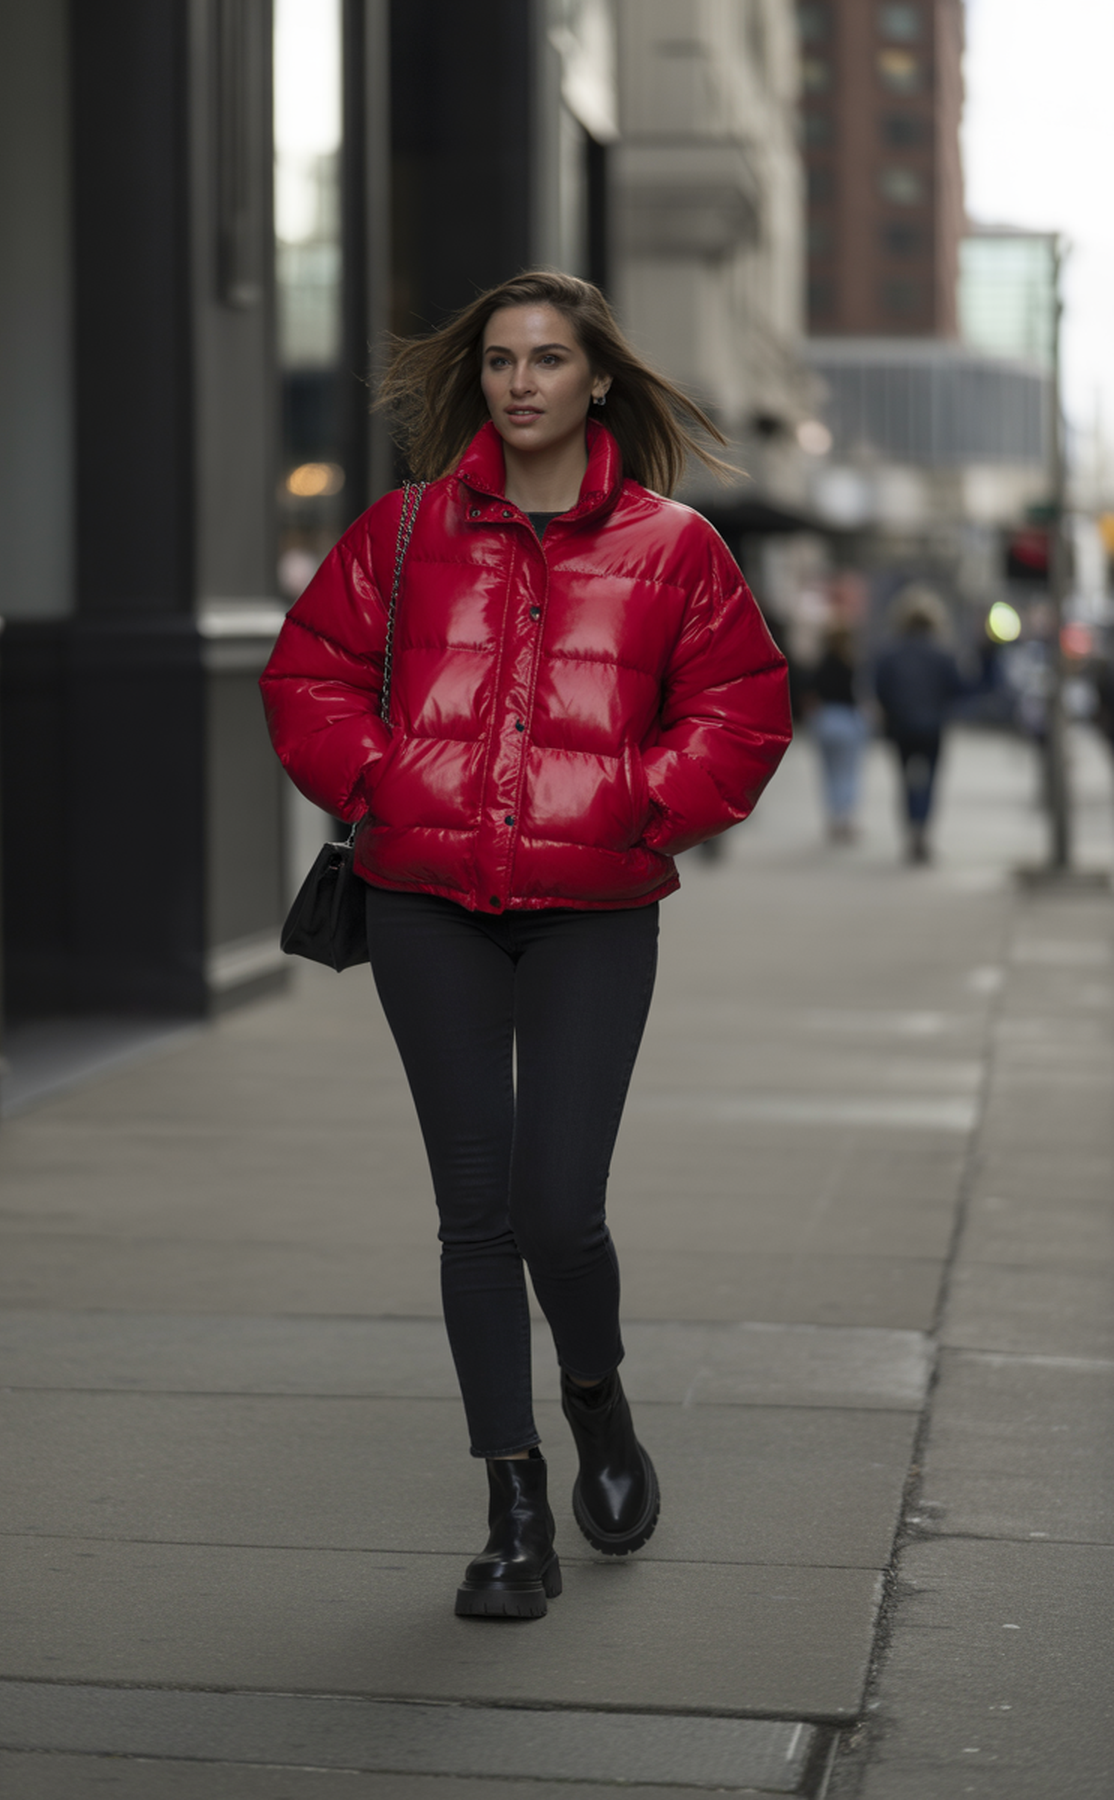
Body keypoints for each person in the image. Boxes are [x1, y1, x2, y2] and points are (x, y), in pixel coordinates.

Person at [260, 271, 791, 1620]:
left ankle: (599, 1403)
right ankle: (512, 1507)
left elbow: (741, 709)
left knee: (562, 1207)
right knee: (477, 1213)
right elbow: (309, 672)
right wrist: (384, 784)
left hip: (594, 913)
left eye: (550, 359)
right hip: (426, 899)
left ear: (597, 378)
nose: (522, 382)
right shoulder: (405, 529)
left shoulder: (675, 547)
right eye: (501, 360)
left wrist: (638, 802)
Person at [874, 586, 962, 864]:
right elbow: (957, 688)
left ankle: (911, 831)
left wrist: (889, 711)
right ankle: (923, 832)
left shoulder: (890, 652)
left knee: (906, 780)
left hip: (901, 726)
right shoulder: (942, 653)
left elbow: (880, 688)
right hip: (933, 725)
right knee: (930, 781)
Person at [806, 623, 869, 843]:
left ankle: (833, 818)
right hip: (847, 719)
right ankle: (845, 818)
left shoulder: (820, 664)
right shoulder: (851, 664)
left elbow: (811, 693)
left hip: (825, 719)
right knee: (848, 772)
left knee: (829, 773)